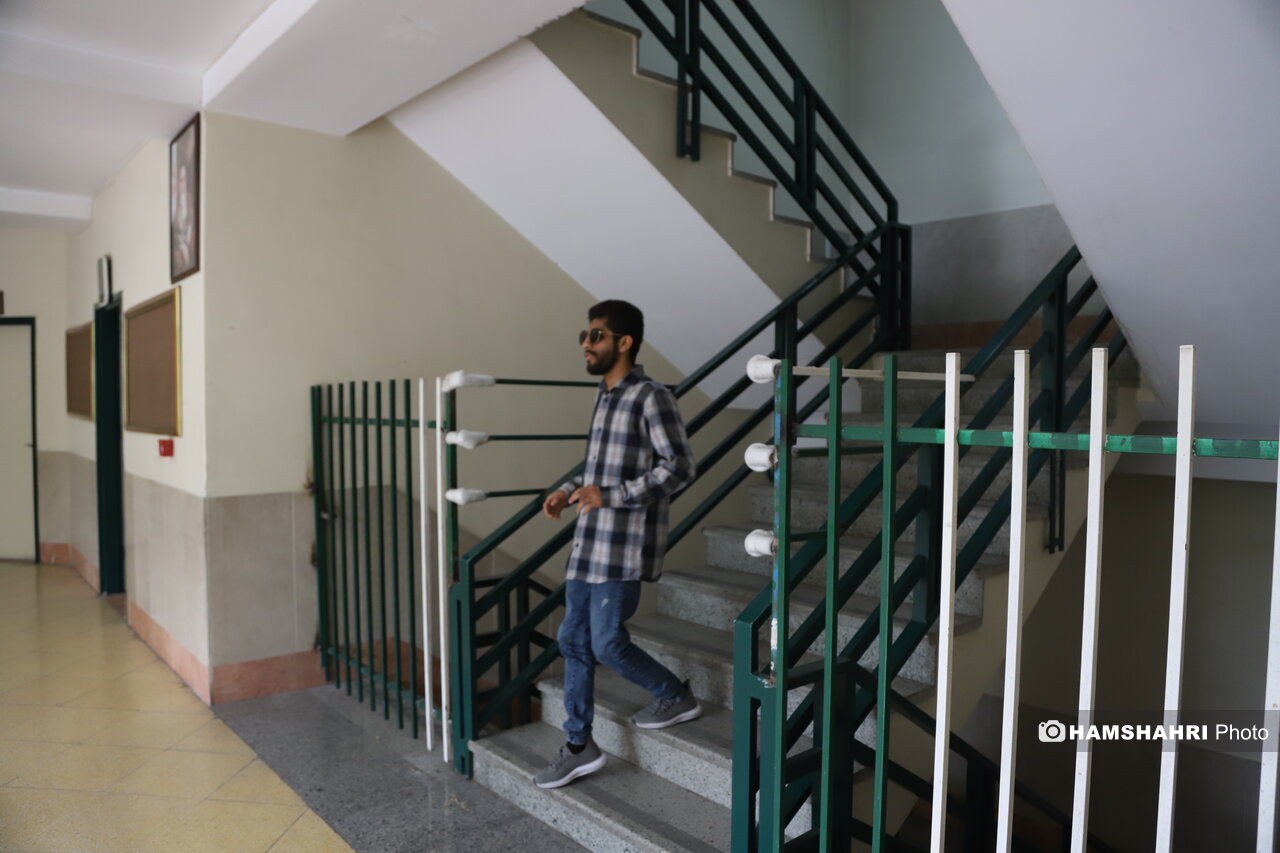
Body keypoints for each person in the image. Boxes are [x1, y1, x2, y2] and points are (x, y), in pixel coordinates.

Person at [533, 300, 701, 789]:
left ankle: (675, 695)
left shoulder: (652, 397)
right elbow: (598, 467)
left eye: (597, 335)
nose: (586, 344)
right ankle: (578, 745)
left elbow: (680, 467)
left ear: (624, 343)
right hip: (589, 543)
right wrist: (567, 490)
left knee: (606, 642)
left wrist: (610, 496)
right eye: (584, 335)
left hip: (624, 547)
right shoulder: (604, 397)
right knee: (572, 640)